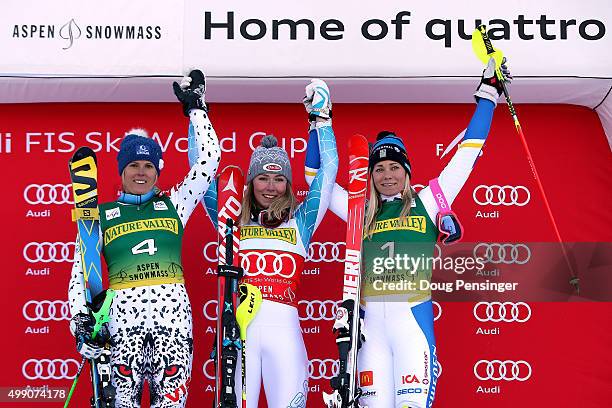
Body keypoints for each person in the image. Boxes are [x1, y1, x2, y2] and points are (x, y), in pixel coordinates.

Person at [305, 58, 511, 407]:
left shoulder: (429, 201)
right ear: (370, 174)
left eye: (395, 167)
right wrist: (318, 122)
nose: (387, 175)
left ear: (407, 171)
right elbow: (315, 180)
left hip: (411, 325)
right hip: (370, 333)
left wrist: (489, 94)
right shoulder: (360, 209)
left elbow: (467, 153)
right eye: (380, 168)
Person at [68, 70, 221, 408]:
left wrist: (197, 109)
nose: (141, 172)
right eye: (133, 165)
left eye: (148, 165)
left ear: (157, 171)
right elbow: (80, 274)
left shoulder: (175, 204)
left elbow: (209, 161)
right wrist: (80, 321)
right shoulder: (100, 215)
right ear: (121, 171)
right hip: (122, 327)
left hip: (174, 327)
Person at [197, 79, 338, 407]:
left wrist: (321, 119)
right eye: (263, 177)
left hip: (285, 334)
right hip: (240, 336)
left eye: (279, 179)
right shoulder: (230, 220)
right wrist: (197, 113)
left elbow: (327, 173)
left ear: (288, 185)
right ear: (250, 182)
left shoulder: (300, 222)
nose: (271, 186)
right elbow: (201, 173)